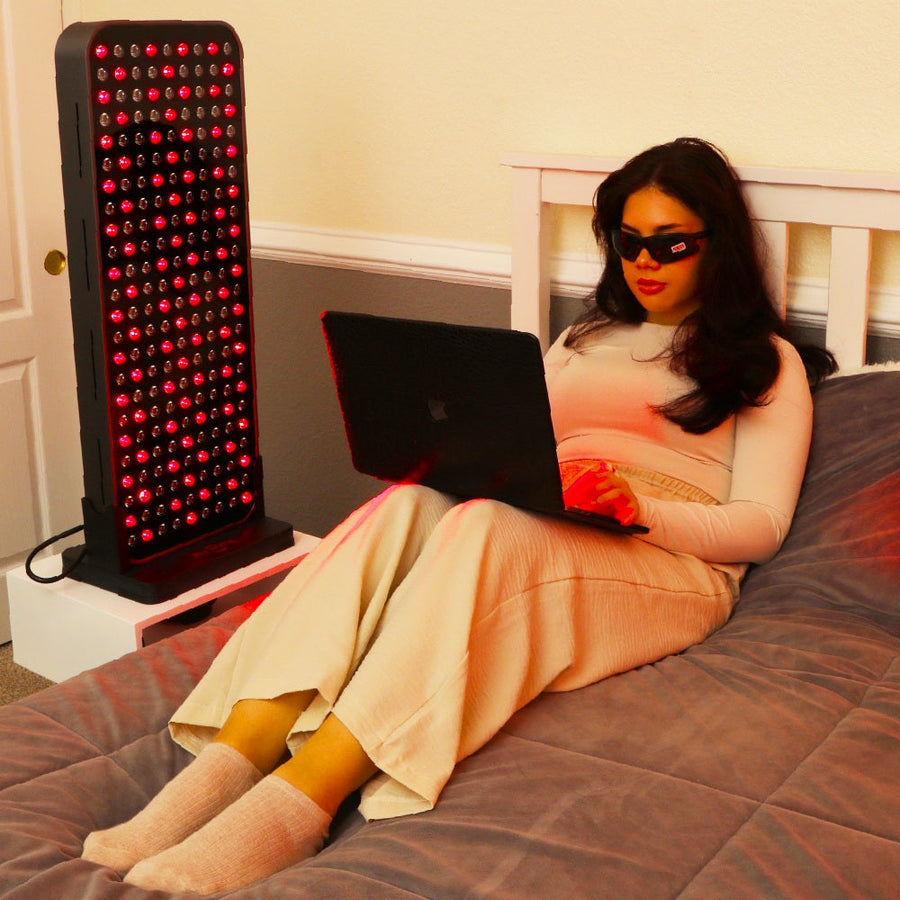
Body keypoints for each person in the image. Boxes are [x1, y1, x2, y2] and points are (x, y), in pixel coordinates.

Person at [81, 137, 835, 893]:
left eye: (671, 245)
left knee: (484, 529)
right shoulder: (583, 337)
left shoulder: (765, 362)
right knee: (405, 501)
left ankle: (302, 802)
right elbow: (515, 431)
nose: (645, 262)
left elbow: (762, 526)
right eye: (630, 242)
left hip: (668, 559)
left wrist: (640, 509)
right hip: (551, 515)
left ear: (719, 248)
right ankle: (226, 766)